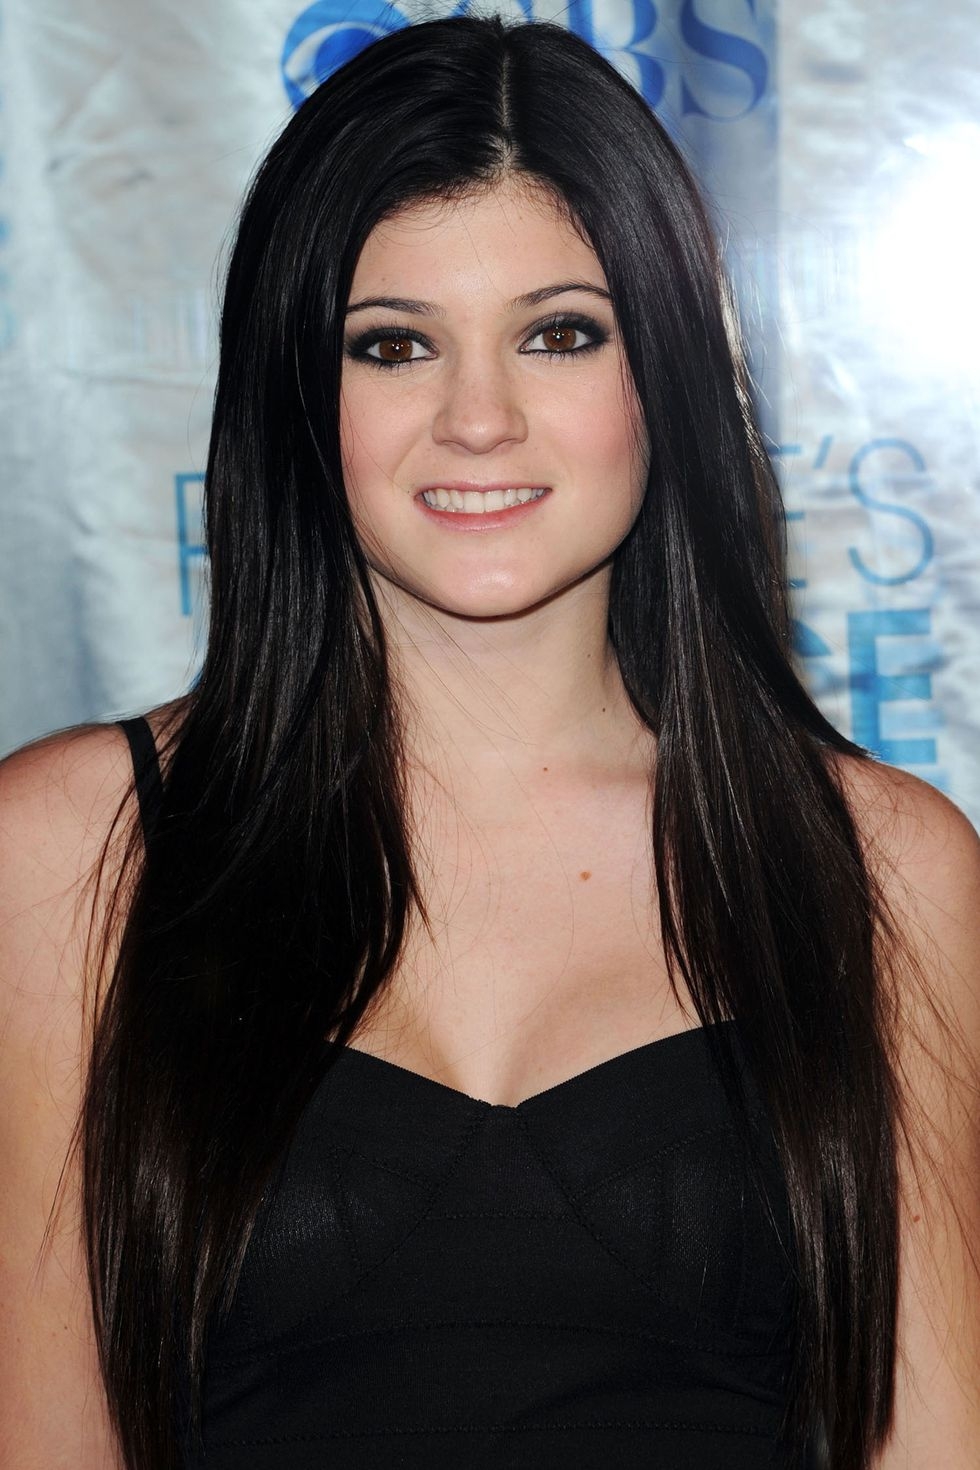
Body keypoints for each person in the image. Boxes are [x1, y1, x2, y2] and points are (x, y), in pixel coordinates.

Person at [1, 13, 978, 1469]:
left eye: (559, 333)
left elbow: (935, 1434)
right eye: (394, 345)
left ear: (667, 374)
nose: (477, 418)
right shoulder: (73, 850)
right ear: (295, 392)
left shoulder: (881, 864)